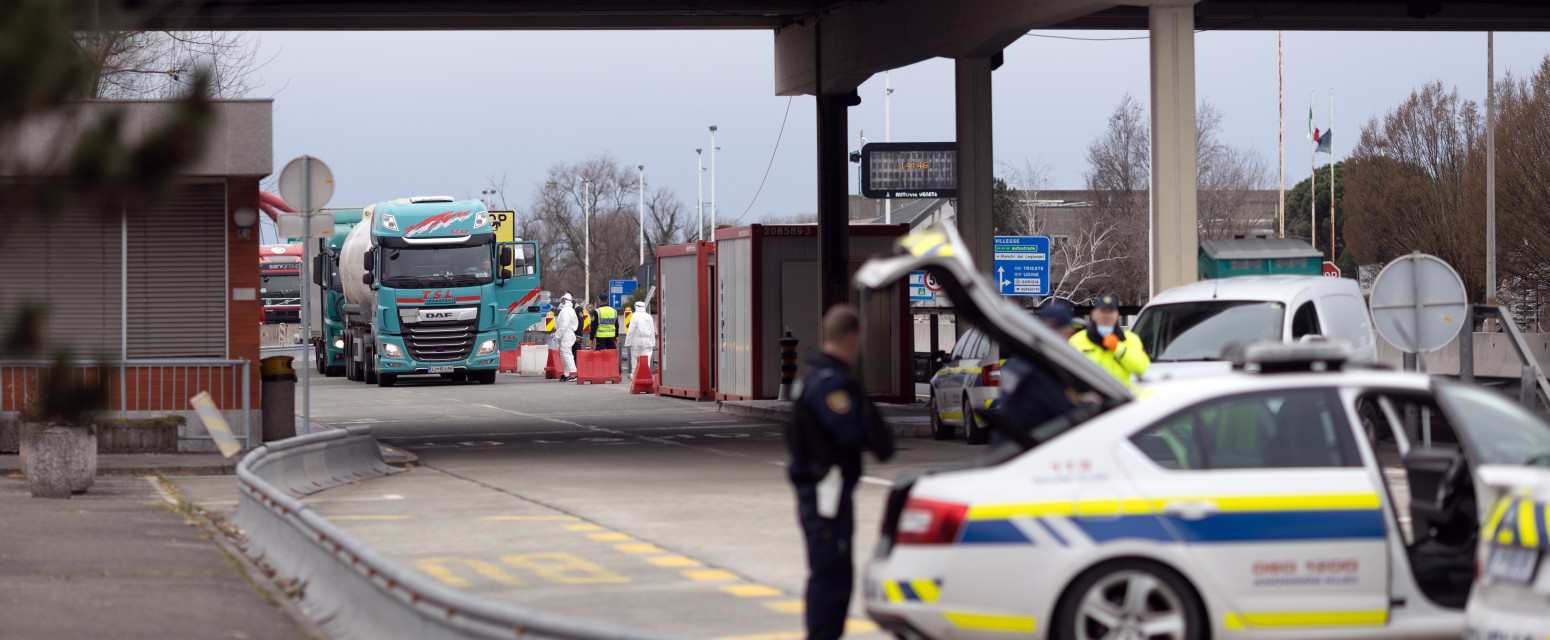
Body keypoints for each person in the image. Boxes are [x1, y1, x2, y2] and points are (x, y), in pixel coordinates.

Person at [786, 304, 895, 640]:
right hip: (824, 492)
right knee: (830, 575)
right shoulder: (830, 383)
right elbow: (849, 432)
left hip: (827, 491)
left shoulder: (816, 377)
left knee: (833, 573)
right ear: (850, 337)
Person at [1069, 294, 1148, 387]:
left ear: (1117, 315)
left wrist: (1119, 349)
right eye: (1103, 311)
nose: (1107, 316)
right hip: (1089, 395)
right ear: (1093, 314)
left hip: (1120, 394)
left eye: (1110, 311)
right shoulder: (1077, 341)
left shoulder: (1131, 339)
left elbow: (1142, 368)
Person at [624, 300, 656, 376]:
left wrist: (627, 342)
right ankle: (645, 375)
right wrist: (653, 342)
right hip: (647, 341)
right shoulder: (649, 317)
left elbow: (631, 330)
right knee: (646, 359)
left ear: (636, 307)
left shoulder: (635, 316)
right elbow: (652, 331)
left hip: (636, 341)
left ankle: (634, 375)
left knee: (635, 359)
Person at [553, 292, 579, 382]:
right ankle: (567, 374)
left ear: (565, 300)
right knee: (564, 354)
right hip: (566, 334)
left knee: (567, 354)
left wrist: (557, 335)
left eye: (563, 300)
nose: (561, 301)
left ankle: (573, 373)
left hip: (567, 335)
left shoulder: (566, 311)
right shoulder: (567, 310)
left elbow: (564, 325)